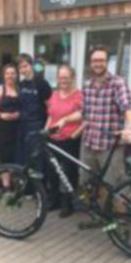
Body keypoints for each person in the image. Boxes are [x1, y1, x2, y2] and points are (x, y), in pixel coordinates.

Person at [55, 46, 131, 225]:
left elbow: (127, 107)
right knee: (87, 182)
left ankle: (123, 219)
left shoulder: (117, 83)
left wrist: (129, 128)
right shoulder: (88, 86)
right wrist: (65, 120)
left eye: (101, 60)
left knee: (115, 184)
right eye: (94, 61)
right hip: (89, 143)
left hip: (109, 145)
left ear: (107, 62)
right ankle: (102, 215)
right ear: (90, 64)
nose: (98, 63)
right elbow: (84, 114)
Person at [45, 65, 84, 218]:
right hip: (52, 139)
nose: (63, 81)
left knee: (68, 173)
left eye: (66, 77)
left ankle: (67, 203)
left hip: (70, 140)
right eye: (61, 77)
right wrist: (46, 131)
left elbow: (84, 117)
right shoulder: (54, 95)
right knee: (52, 171)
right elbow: (50, 115)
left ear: (73, 78)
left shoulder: (79, 96)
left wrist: (76, 133)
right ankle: (53, 200)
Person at [15, 53, 52, 198]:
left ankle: (40, 192)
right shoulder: (21, 84)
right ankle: (28, 189)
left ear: (31, 66)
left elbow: (50, 108)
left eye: (25, 66)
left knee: (38, 160)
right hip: (23, 126)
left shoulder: (42, 83)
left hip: (37, 126)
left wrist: (46, 129)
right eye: (20, 67)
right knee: (25, 159)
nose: (23, 69)